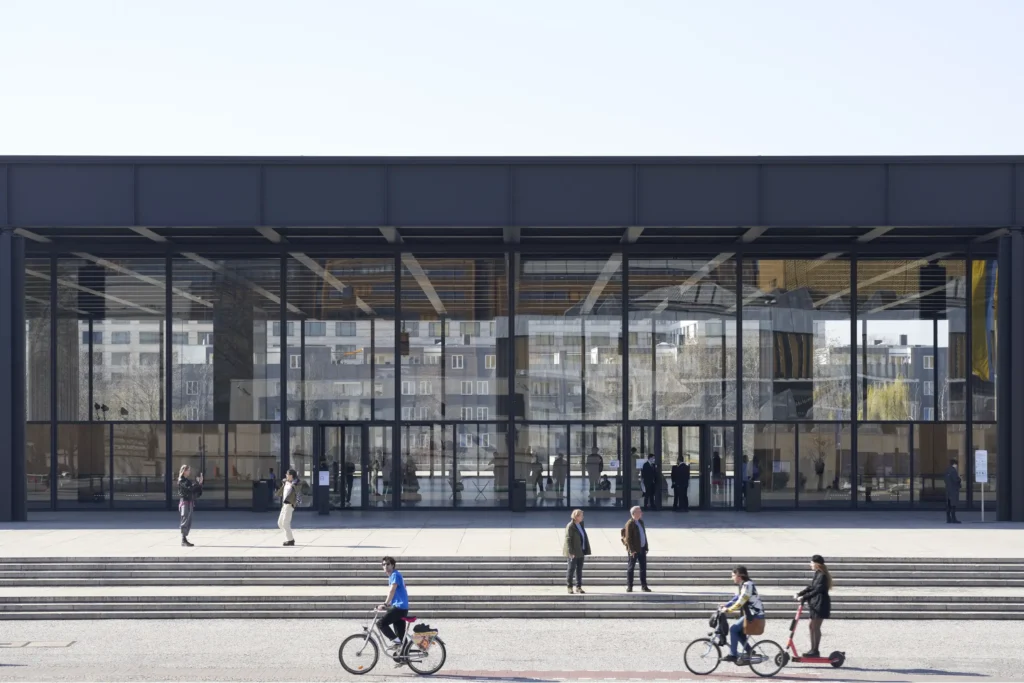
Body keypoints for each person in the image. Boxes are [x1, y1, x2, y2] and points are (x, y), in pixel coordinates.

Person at [719, 565, 765, 664]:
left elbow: (741, 601)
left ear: (739, 576)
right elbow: (737, 597)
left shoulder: (748, 585)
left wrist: (728, 610)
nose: (732, 578)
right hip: (751, 614)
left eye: (733, 575)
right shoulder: (744, 584)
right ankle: (749, 651)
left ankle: (733, 655)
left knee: (733, 629)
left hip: (755, 615)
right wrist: (726, 605)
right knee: (738, 631)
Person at [794, 554, 832, 658]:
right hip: (815, 603)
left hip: (821, 604)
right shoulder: (817, 574)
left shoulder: (823, 575)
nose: (810, 564)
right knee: (811, 626)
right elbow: (811, 587)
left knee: (815, 627)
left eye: (811, 563)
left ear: (816, 564)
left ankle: (815, 651)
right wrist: (800, 593)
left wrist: (804, 597)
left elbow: (817, 590)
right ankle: (812, 649)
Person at [378, 556, 411, 665]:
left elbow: (392, 591)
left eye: (388, 564)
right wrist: (388, 605)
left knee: (381, 623)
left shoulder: (395, 575)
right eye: (384, 565)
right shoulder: (395, 575)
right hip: (401, 608)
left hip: (399, 608)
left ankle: (396, 643)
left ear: (393, 565)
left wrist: (385, 604)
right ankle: (404, 657)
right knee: (401, 635)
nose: (386, 567)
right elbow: (396, 594)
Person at [623, 505, 651, 592]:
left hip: (642, 548)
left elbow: (643, 535)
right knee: (631, 568)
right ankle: (629, 586)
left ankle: (644, 586)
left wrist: (646, 546)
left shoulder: (641, 522)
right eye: (639, 511)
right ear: (634, 513)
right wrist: (632, 550)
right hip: (634, 550)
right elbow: (628, 538)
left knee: (643, 568)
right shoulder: (630, 523)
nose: (641, 513)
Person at [563, 509, 591, 594]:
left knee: (579, 569)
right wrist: (570, 552)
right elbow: (568, 539)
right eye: (581, 516)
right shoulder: (570, 526)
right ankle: (569, 586)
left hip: (580, 550)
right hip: (573, 552)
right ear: (576, 516)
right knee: (571, 569)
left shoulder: (580, 524)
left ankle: (578, 587)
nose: (582, 517)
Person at [177, 464, 203, 547]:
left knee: (188, 520)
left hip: (189, 502)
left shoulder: (187, 480)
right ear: (184, 471)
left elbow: (194, 490)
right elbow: (190, 488)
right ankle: (183, 540)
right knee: (185, 519)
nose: (189, 472)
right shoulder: (182, 480)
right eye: (188, 470)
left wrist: (199, 483)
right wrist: (197, 483)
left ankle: (184, 539)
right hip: (185, 502)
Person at [275, 469, 299, 546]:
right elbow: (281, 491)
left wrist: (293, 484)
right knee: (280, 523)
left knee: (285, 523)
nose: (286, 475)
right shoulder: (285, 482)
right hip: (284, 505)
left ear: (291, 476)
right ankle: (289, 536)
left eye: (287, 474)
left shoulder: (296, 483)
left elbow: (298, 490)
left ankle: (290, 540)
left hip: (289, 505)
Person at [944, 459, 962, 524]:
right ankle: (954, 519)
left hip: (948, 489)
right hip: (953, 490)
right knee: (953, 505)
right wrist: (959, 479)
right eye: (956, 464)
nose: (957, 466)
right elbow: (956, 480)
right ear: (954, 464)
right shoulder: (953, 471)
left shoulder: (947, 470)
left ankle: (948, 519)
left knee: (948, 505)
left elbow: (945, 480)